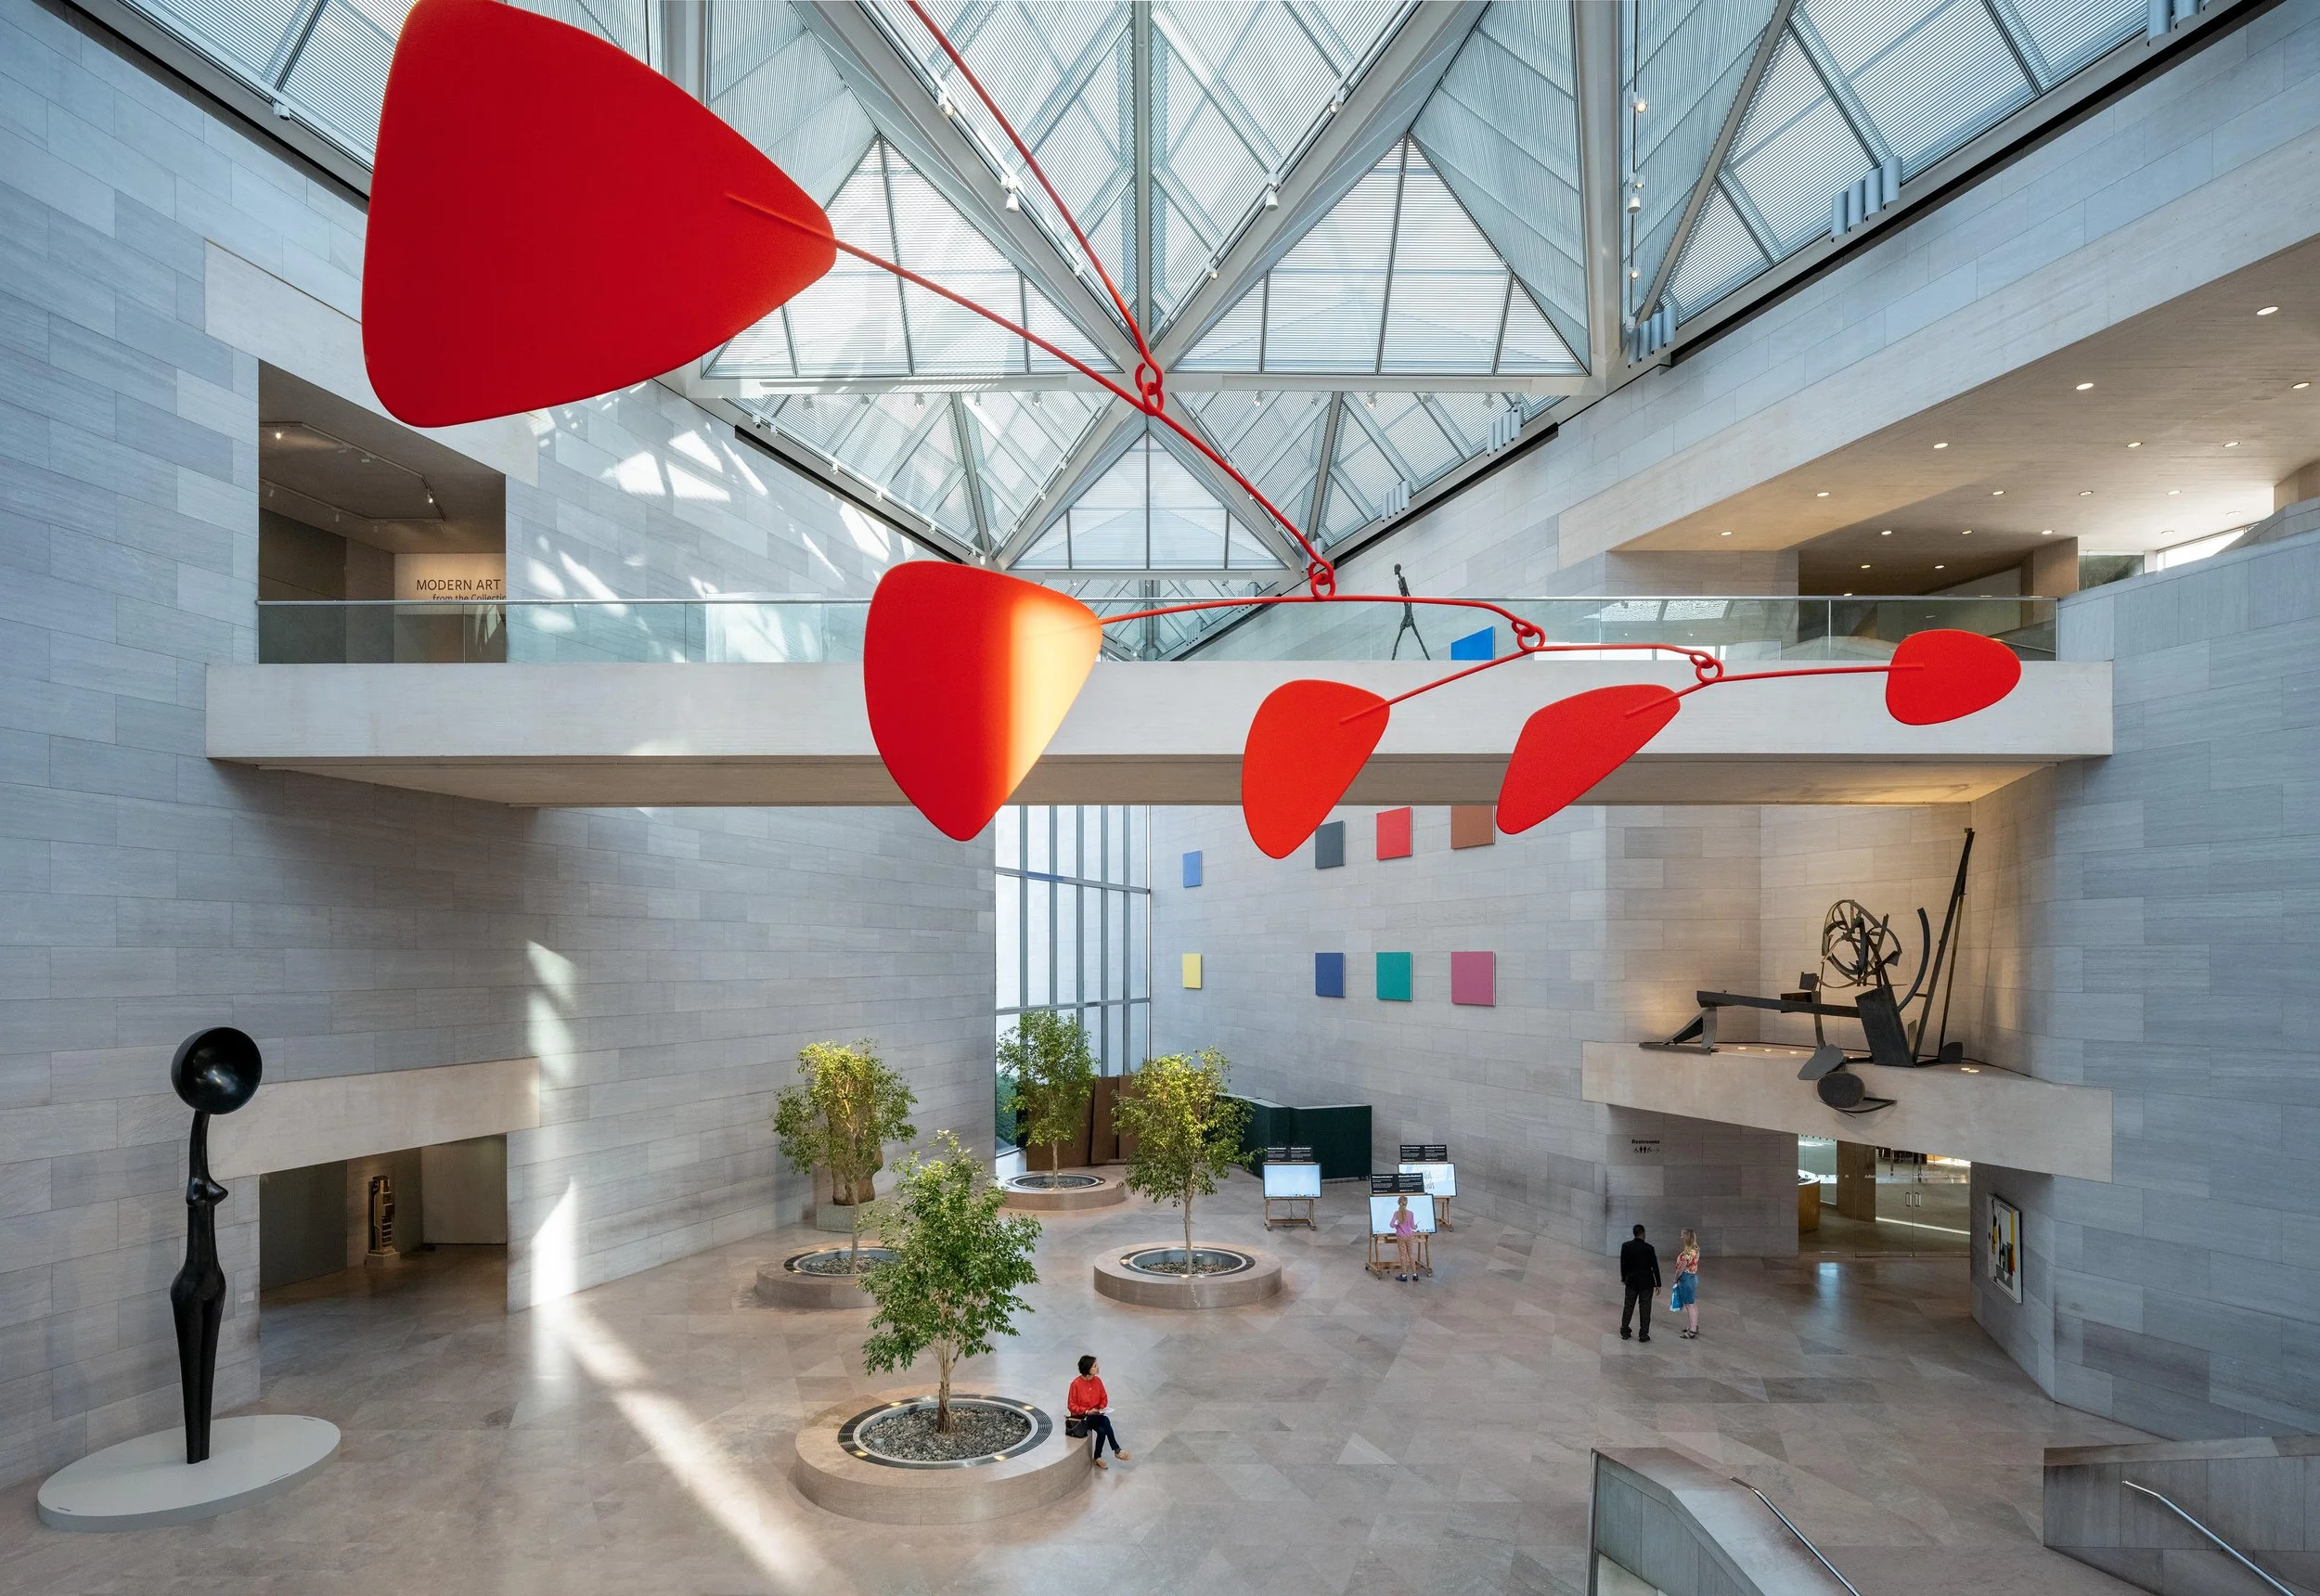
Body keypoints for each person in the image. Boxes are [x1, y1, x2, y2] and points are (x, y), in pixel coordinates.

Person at [1068, 1354, 1128, 1468]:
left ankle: (1097, 1457)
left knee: (1102, 1430)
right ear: (1088, 1368)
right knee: (1105, 1421)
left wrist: (1101, 1407)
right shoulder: (1075, 1384)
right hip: (1082, 1417)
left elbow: (1104, 1397)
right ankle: (1116, 1449)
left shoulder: (1098, 1381)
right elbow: (1071, 1405)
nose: (1098, 1367)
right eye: (1095, 1366)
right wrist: (1086, 1411)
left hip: (1096, 1415)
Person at [1618, 1224, 1660, 1343]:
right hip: (1646, 1283)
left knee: (1628, 1306)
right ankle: (1643, 1334)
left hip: (1631, 1281)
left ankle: (1625, 1331)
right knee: (1645, 1308)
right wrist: (1658, 1283)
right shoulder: (1649, 1248)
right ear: (1643, 1234)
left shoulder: (1626, 1246)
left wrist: (1624, 1278)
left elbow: (1623, 1264)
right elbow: (1655, 1267)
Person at [1673, 1229, 1702, 1339]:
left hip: (1686, 1279)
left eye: (1682, 1236)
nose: (1681, 1237)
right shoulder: (1695, 1249)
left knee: (1689, 1305)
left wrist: (1675, 1279)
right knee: (1692, 1303)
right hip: (1693, 1277)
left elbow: (1680, 1269)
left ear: (1687, 1238)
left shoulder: (1687, 1254)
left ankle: (1692, 1331)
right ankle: (1693, 1325)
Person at [1390, 1192, 1420, 1281]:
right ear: (1407, 1203)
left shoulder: (1397, 1213)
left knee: (1403, 1255)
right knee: (1411, 1254)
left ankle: (1404, 1275)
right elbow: (1413, 1226)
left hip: (1400, 1236)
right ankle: (1414, 1274)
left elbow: (1391, 1224)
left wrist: (1397, 1225)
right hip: (1409, 1236)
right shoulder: (1411, 1213)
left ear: (1398, 1203)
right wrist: (1416, 1226)